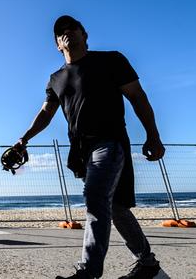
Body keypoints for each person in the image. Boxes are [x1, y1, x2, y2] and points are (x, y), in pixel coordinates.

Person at [14, 15, 165, 279]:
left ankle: (89, 272)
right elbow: (46, 112)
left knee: (96, 198)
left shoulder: (111, 60)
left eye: (72, 28)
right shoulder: (55, 78)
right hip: (81, 152)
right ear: (57, 45)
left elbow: (137, 96)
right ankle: (148, 264)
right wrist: (23, 139)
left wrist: (153, 135)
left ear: (85, 34)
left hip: (110, 142)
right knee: (116, 207)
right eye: (60, 32)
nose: (67, 32)